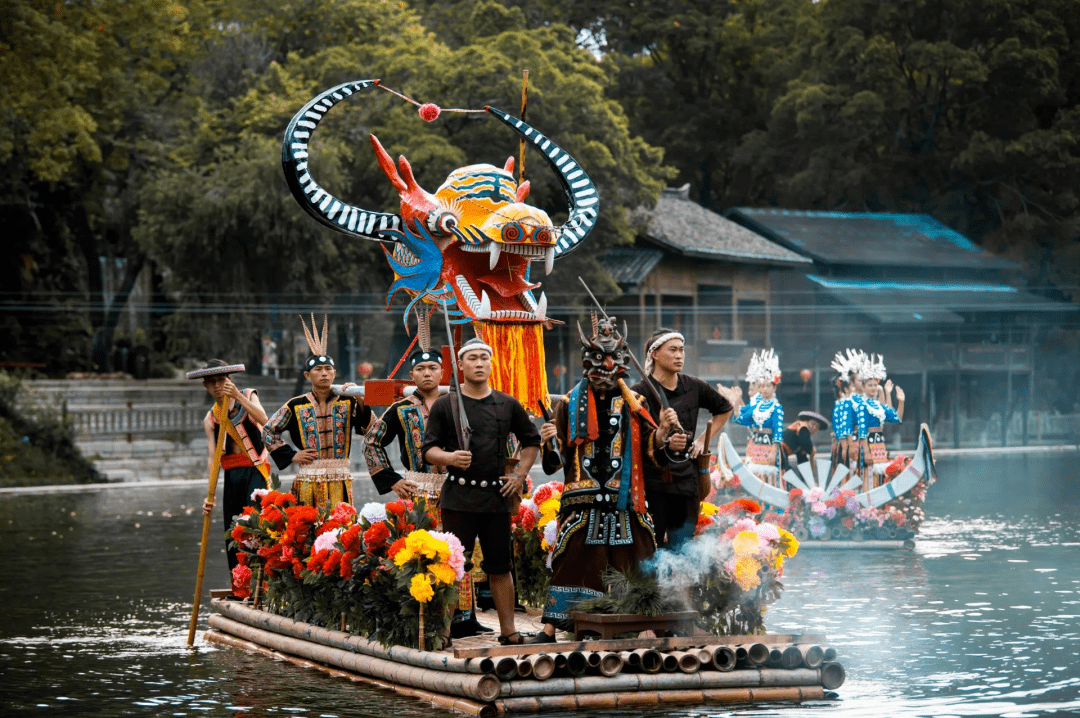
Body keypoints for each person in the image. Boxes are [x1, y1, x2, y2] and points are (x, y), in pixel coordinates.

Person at [530, 315, 682, 643]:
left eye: (614, 360)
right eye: (599, 359)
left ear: (625, 364)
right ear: (587, 363)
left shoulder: (635, 404)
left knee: (638, 558)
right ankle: (551, 628)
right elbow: (554, 461)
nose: (607, 367)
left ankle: (643, 626)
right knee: (571, 560)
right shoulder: (568, 405)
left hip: (625, 496)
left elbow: (651, 450)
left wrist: (664, 434)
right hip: (582, 497)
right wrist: (548, 439)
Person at [422, 337, 542, 646]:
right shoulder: (445, 405)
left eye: (483, 358)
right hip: (458, 497)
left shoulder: (507, 403)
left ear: (491, 364)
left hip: (496, 497)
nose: (478, 363)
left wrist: (520, 474)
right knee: (452, 566)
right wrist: (448, 458)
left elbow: (531, 442)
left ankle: (509, 632)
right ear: (460, 365)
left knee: (500, 566)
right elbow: (428, 450)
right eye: (472, 358)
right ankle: (443, 633)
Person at [631, 328, 733, 550]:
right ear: (655, 354)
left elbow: (725, 409)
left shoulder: (694, 386)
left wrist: (701, 442)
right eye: (673, 350)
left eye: (682, 350)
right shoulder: (638, 393)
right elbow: (632, 439)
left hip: (687, 483)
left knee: (683, 550)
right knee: (650, 549)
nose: (679, 355)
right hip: (652, 485)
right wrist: (662, 436)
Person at [263, 315, 372, 507]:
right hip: (308, 477)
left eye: (328, 369)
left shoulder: (349, 401)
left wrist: (360, 400)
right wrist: (291, 455)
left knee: (342, 529)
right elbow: (268, 431)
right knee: (307, 528)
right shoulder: (295, 405)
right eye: (318, 369)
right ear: (307, 375)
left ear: (334, 373)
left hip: (340, 477)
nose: (324, 373)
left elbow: (371, 429)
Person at [193, 360, 271, 573]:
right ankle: (240, 584)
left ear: (230, 380)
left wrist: (236, 396)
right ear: (206, 386)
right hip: (232, 475)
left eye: (221, 380)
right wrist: (210, 494)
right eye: (212, 382)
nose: (217, 386)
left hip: (255, 470)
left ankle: (261, 583)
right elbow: (213, 456)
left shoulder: (247, 395)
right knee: (233, 528)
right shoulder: (210, 418)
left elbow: (264, 419)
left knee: (256, 524)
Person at [731, 349, 784, 484]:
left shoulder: (776, 407)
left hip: (769, 448)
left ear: (774, 388)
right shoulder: (756, 405)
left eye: (768, 386)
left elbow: (777, 432)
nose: (764, 389)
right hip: (755, 448)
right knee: (756, 479)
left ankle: (771, 506)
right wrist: (736, 401)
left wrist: (773, 451)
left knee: (769, 479)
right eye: (762, 386)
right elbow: (743, 419)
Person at [854, 353, 904, 485]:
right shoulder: (861, 404)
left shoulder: (876, 404)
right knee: (867, 475)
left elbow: (895, 417)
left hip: (879, 443)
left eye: (875, 385)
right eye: (869, 385)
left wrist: (901, 401)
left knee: (880, 476)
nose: (873, 388)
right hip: (868, 444)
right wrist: (866, 452)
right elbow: (862, 430)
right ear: (864, 387)